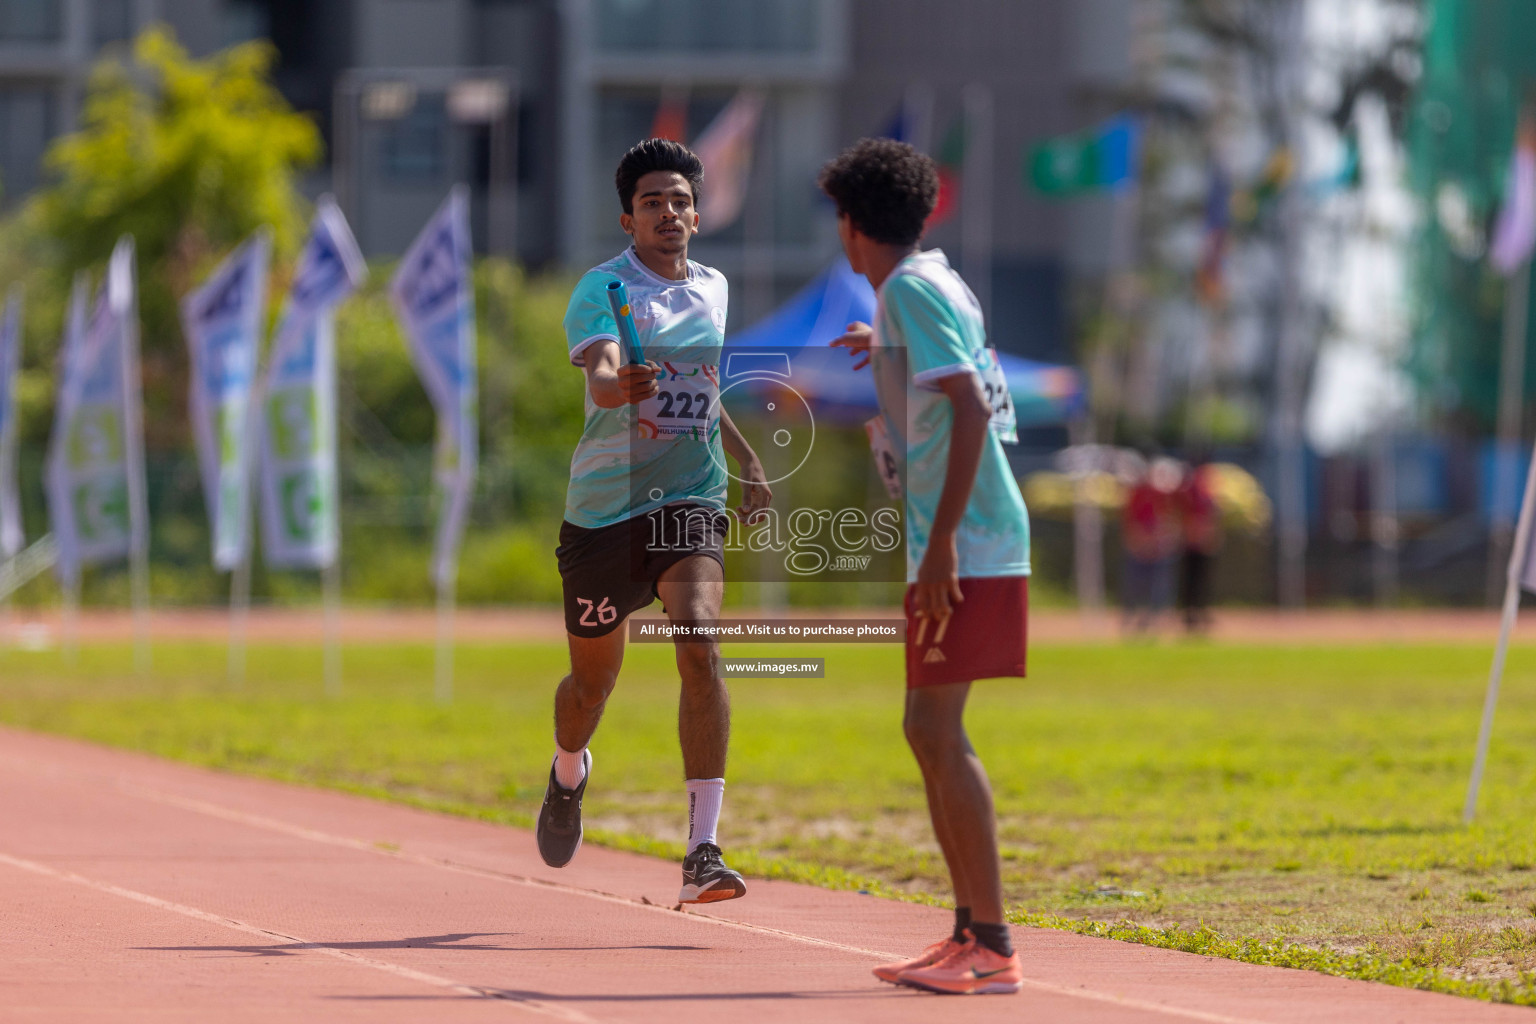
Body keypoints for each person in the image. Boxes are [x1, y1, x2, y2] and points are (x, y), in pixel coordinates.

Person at [536, 139, 772, 906]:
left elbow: (703, 387)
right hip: (604, 512)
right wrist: (615, 386)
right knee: (588, 689)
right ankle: (569, 770)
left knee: (698, 640)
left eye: (678, 201)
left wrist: (745, 459)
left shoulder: (715, 288)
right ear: (627, 217)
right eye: (651, 203)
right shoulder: (602, 288)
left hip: (689, 499)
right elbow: (603, 369)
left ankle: (704, 847)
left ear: (697, 215)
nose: (667, 213)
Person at [823, 137, 1027, 996]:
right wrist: (890, 348)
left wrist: (942, 541)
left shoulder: (910, 287)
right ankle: (965, 932)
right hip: (959, 541)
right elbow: (959, 380)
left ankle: (993, 942)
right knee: (925, 728)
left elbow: (975, 408)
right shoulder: (923, 286)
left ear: (849, 225)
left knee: (938, 730)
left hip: (967, 544)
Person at [1120, 454, 1181, 635]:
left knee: (1158, 587)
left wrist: (1163, 538)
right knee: (1135, 586)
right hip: (1140, 547)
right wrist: (1139, 540)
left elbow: (1171, 520)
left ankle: (1154, 619)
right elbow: (1130, 520)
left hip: (1158, 548)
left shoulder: (1166, 494)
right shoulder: (1138, 493)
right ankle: (1132, 617)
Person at [1176, 454, 1222, 634]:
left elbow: (1211, 515)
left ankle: (1198, 612)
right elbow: (1187, 514)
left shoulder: (1204, 486)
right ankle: (1191, 614)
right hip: (1193, 542)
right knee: (1193, 581)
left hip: (1201, 541)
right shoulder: (1195, 487)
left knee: (1199, 581)